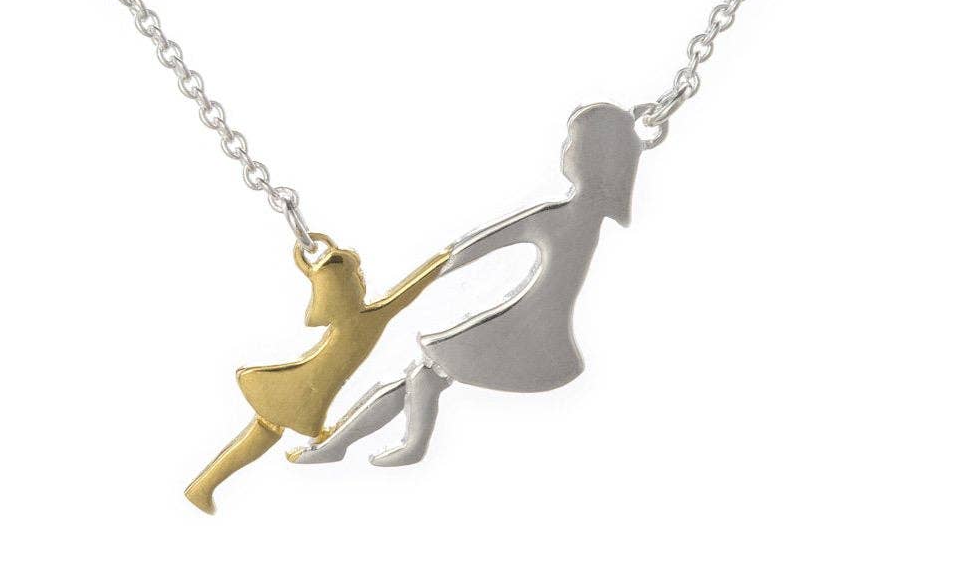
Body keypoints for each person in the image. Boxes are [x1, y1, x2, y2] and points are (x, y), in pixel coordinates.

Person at [290, 103, 643, 467]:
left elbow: (477, 246)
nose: (566, 150)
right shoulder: (588, 216)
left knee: (425, 375)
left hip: (527, 330)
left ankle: (396, 446)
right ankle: (344, 446)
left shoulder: (561, 218)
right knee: (424, 375)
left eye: (572, 143)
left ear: (590, 156)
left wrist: (433, 271)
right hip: (538, 327)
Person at [184, 234, 448, 513]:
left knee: (264, 432)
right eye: (357, 276)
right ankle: (204, 487)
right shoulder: (369, 319)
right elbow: (407, 293)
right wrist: (443, 260)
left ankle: (204, 486)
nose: (363, 280)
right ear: (347, 288)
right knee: (265, 431)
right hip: (306, 388)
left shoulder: (355, 320)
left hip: (306, 384)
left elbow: (405, 293)